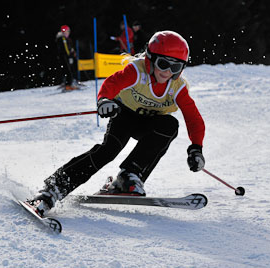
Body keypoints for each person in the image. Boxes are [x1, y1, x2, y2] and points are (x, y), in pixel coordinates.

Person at [28, 30, 205, 216]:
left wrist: (196, 148)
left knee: (169, 126)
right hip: (124, 116)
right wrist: (105, 100)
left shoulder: (177, 87)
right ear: (150, 59)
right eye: (163, 64)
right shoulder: (137, 71)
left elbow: (193, 118)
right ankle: (54, 187)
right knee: (109, 150)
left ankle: (129, 176)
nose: (168, 72)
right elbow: (112, 84)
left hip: (150, 124)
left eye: (175, 68)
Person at [55, 25, 78, 91]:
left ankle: (67, 83)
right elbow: (66, 49)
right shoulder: (63, 38)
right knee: (69, 71)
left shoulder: (63, 38)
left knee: (67, 70)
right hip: (65, 57)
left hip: (63, 57)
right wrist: (70, 55)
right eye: (67, 31)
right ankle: (68, 85)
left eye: (68, 31)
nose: (68, 33)